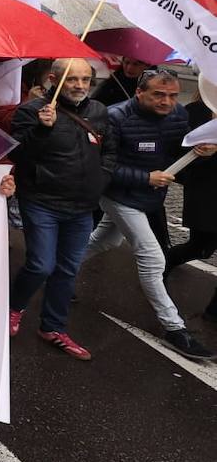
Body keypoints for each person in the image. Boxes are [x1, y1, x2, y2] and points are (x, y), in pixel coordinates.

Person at [81, 68, 215, 359]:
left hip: (149, 197)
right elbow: (101, 166)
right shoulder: (115, 117)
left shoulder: (179, 115)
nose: (167, 101)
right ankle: (174, 328)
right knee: (153, 258)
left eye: (171, 95)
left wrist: (200, 150)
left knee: (104, 242)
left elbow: (176, 151)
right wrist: (145, 178)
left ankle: (56, 272)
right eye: (158, 94)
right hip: (117, 196)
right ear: (139, 92)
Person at [7, 59, 115, 361]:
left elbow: (110, 151)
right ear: (55, 79)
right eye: (72, 80)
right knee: (41, 264)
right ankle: (14, 308)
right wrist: (42, 129)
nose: (80, 86)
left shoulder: (99, 111)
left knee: (68, 270)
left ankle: (52, 327)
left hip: (82, 206)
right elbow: (17, 153)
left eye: (86, 80)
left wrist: (101, 179)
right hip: (42, 202)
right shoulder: (32, 111)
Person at [167, 97, 217, 321]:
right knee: (200, 247)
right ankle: (162, 266)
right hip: (207, 192)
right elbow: (179, 151)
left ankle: (214, 311)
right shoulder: (198, 111)